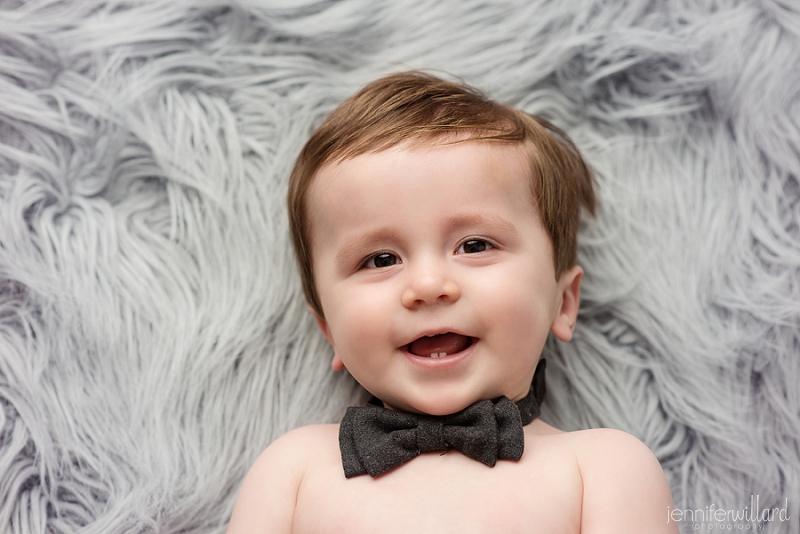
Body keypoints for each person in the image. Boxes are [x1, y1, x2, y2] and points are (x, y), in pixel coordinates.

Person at [226, 71, 678, 533]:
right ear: (329, 331)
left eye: (475, 246)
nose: (427, 284)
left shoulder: (602, 470)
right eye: (381, 258)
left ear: (563, 302)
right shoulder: (293, 471)